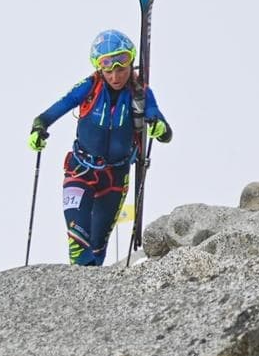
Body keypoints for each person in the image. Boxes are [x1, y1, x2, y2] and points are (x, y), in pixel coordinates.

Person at [29, 30, 172, 266]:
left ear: (131, 63)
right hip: (81, 171)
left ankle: (92, 288)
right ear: (99, 69)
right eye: (109, 70)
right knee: (78, 243)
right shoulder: (89, 86)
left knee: (97, 248)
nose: (115, 76)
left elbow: (165, 131)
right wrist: (38, 128)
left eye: (121, 68)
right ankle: (78, 280)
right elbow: (53, 111)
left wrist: (159, 127)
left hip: (115, 178)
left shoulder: (140, 93)